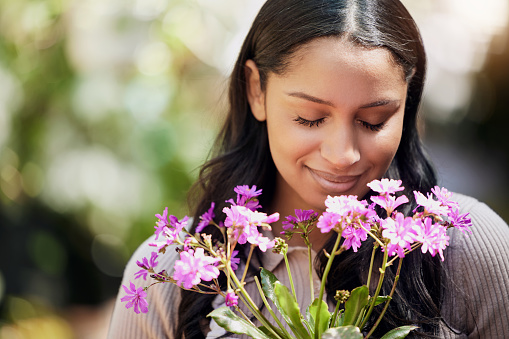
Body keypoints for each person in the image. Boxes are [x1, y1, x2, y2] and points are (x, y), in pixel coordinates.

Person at [108, 0, 509, 338]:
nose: (342, 155)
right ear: (256, 91)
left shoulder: (468, 251)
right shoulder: (170, 274)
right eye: (310, 118)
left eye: (374, 121)